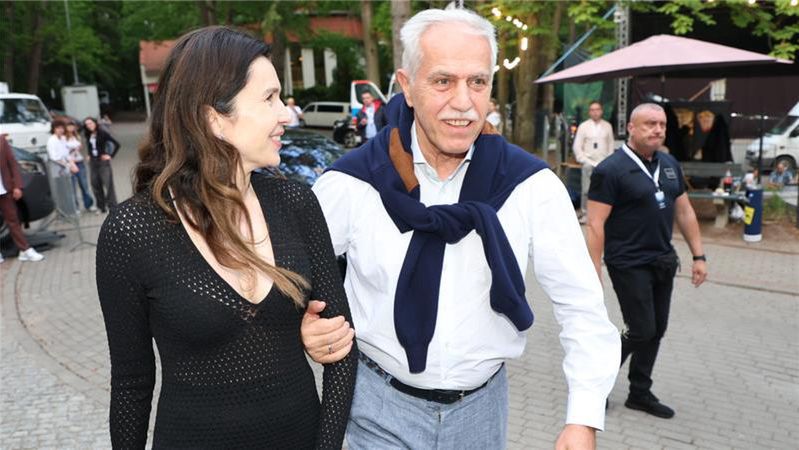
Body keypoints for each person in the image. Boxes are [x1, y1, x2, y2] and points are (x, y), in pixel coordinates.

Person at [301, 8, 619, 450]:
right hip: (375, 408)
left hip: (481, 413)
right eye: (443, 81)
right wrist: (305, 324)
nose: (464, 102)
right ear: (407, 85)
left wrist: (583, 417)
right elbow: (286, 281)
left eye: (478, 82)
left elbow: (581, 303)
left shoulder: (530, 186)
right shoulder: (352, 183)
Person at [95, 26, 356, 449]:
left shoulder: (296, 203)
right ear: (213, 118)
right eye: (269, 98)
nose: (285, 115)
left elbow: (342, 344)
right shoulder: (133, 231)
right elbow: (131, 383)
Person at [586, 103, 708, 420]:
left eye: (662, 125)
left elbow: (684, 211)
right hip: (627, 262)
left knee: (656, 329)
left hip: (662, 260)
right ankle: (593, 388)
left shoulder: (669, 164)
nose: (657, 130)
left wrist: (698, 255)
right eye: (649, 124)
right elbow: (596, 224)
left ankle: (639, 393)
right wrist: (593, 269)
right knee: (640, 329)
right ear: (631, 127)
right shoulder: (610, 170)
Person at [0, 134, 45, 263]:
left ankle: (25, 250)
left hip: (5, 189)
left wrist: (17, 186)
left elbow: (12, 164)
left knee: (13, 220)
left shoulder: (1, 141)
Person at [573, 101, 614, 223]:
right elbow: (577, 146)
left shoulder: (607, 126)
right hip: (588, 162)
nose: (595, 112)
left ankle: (603, 215)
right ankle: (585, 213)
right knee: (586, 190)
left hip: (604, 162)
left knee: (604, 190)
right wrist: (583, 159)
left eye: (597, 109)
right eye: (592, 110)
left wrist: (609, 161)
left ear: (601, 111)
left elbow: (610, 145)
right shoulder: (583, 126)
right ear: (589, 112)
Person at [83, 116, 119, 213]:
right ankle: (101, 207)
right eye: (87, 124)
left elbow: (117, 144)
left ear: (95, 123)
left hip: (103, 162)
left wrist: (110, 155)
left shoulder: (102, 133)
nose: (89, 126)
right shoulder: (88, 135)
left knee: (108, 184)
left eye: (90, 123)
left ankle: (112, 207)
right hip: (93, 163)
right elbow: (90, 147)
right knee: (95, 184)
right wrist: (89, 155)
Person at [65, 122, 96, 212]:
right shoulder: (63, 138)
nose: (71, 128)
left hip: (80, 162)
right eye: (69, 126)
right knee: (72, 187)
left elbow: (80, 147)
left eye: (72, 126)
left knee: (84, 185)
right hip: (70, 164)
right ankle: (75, 207)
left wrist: (78, 147)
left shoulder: (77, 136)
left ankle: (89, 205)